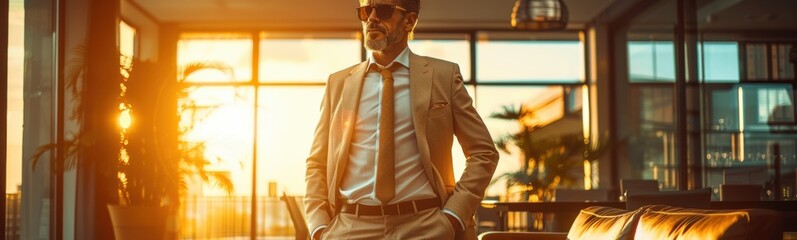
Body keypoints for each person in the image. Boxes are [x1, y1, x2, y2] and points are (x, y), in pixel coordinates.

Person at [304, 0, 499, 239]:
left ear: (410, 20)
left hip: (424, 226)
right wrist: (319, 226)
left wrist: (453, 216)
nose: (372, 18)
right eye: (366, 11)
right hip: (350, 228)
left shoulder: (443, 76)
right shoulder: (339, 83)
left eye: (384, 10)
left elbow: (484, 152)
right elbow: (317, 162)